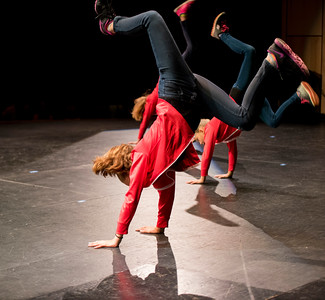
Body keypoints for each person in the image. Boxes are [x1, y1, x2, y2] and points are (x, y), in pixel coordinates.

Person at [89, 2, 310, 248]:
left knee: (152, 18)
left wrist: (117, 237)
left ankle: (109, 24)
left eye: (126, 180)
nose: (132, 183)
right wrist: (161, 225)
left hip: (175, 89)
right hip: (193, 95)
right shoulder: (159, 167)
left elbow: (131, 198)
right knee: (244, 119)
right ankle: (271, 60)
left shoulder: (140, 159)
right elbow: (167, 191)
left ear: (125, 171)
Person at [132, 4, 319, 182]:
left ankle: (226, 36)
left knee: (249, 52)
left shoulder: (212, 129)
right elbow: (231, 149)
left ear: (201, 132)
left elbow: (207, 154)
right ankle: (298, 93)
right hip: (247, 102)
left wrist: (202, 177)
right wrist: (229, 172)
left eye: (198, 139)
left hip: (237, 98)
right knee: (273, 120)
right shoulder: (227, 135)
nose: (200, 143)